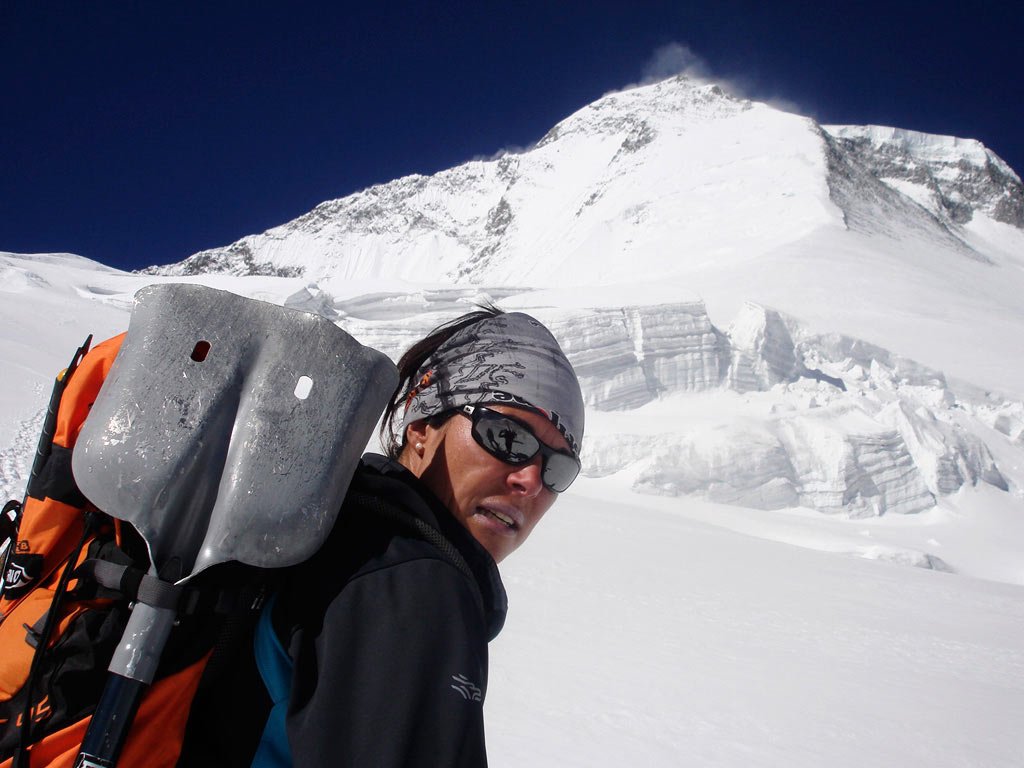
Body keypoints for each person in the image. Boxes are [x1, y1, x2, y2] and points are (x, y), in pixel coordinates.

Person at [179, 306, 585, 767]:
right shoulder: (415, 585)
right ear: (421, 429)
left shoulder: (336, 533)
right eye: (506, 436)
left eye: (558, 467)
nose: (531, 481)